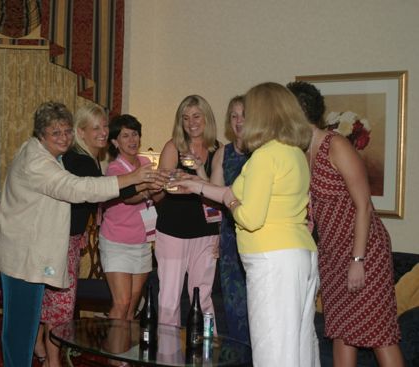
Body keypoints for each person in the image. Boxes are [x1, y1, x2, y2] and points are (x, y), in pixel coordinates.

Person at [0, 101, 157, 367]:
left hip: (29, 250)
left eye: (67, 131)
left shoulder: (46, 154)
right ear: (41, 134)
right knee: (21, 328)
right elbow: (77, 189)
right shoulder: (37, 162)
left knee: (26, 324)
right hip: (23, 255)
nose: (64, 138)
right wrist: (133, 178)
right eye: (56, 133)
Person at [173, 83, 320, 366]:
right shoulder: (293, 152)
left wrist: (229, 202)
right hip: (299, 254)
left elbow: (249, 216)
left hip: (273, 259)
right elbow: (231, 192)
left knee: (273, 351)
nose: (243, 119)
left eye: (249, 111)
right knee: (300, 347)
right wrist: (196, 185)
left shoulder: (265, 156)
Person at [287, 81, 404, 367]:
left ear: (299, 112)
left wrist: (358, 259)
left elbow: (364, 205)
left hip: (364, 252)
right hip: (332, 255)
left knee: (380, 334)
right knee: (341, 332)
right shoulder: (302, 152)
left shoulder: (336, 145)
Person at [33, 104, 109, 366]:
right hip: (60, 241)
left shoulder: (79, 158)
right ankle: (52, 361)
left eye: (105, 126)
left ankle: (40, 345)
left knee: (51, 298)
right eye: (95, 127)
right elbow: (106, 193)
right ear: (81, 132)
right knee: (61, 302)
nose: (103, 132)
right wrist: (140, 182)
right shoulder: (82, 160)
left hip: (59, 238)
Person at [155, 94, 221, 330]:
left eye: (196, 116)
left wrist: (190, 181)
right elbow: (166, 187)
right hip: (173, 231)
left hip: (206, 232)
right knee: (169, 299)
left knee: (203, 297)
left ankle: (206, 351)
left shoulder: (218, 150)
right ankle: (165, 355)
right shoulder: (174, 146)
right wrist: (198, 185)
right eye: (185, 118)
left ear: (207, 118)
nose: (191, 122)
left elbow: (220, 194)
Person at [99, 114, 163, 321]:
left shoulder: (145, 162)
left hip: (142, 244)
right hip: (116, 243)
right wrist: (148, 189)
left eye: (134, 134)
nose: (132, 140)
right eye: (125, 136)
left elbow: (157, 197)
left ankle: (122, 350)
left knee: (132, 307)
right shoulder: (114, 169)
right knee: (122, 303)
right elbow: (129, 198)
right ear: (115, 142)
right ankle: (110, 353)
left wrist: (166, 186)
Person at [209, 95, 251, 345]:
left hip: (257, 236)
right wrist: (215, 236)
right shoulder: (222, 153)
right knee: (233, 306)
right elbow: (214, 198)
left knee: (257, 306)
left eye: (243, 115)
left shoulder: (263, 152)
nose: (238, 121)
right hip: (228, 237)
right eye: (234, 116)